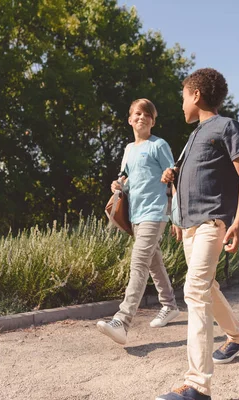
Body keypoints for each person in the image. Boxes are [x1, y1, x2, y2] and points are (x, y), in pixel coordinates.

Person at [157, 68, 239, 400]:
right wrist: (176, 206)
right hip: (189, 226)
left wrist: (238, 221)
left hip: (213, 222)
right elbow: (194, 179)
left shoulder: (225, 127)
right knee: (206, 288)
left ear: (195, 95)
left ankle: (197, 385)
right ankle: (238, 336)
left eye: (183, 96)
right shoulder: (193, 136)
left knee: (194, 290)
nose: (181, 104)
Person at [97, 98, 180, 345]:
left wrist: (176, 214)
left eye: (147, 114)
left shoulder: (158, 145)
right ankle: (170, 305)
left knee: (139, 262)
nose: (141, 117)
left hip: (155, 213)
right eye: (137, 114)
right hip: (136, 214)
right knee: (153, 262)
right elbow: (127, 179)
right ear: (130, 119)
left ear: (152, 121)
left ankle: (122, 321)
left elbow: (174, 176)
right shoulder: (129, 149)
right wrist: (118, 184)